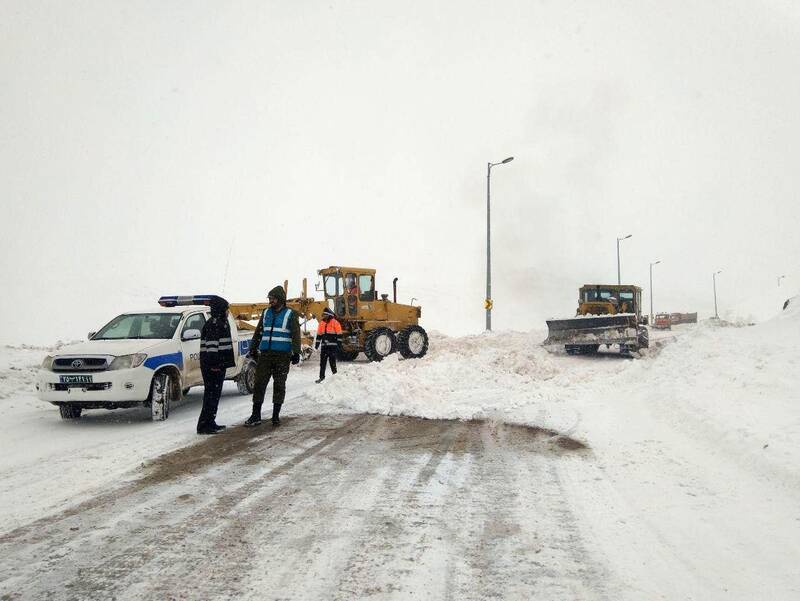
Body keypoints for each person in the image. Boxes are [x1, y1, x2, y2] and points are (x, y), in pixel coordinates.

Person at [244, 286, 301, 427]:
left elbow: (295, 334)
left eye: (273, 298)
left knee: (279, 385)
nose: (270, 301)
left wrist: (296, 352)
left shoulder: (290, 314)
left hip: (282, 356)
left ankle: (275, 416)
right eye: (269, 298)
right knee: (259, 384)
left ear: (280, 299)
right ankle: (255, 415)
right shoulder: (266, 313)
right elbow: (258, 332)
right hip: (265, 356)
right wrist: (252, 348)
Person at [197, 297, 234, 435]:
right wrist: (215, 364)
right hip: (213, 366)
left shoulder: (219, 322)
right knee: (211, 395)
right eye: (226, 309)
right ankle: (204, 425)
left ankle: (210, 422)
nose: (227, 312)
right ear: (220, 310)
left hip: (218, 365)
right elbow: (212, 347)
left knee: (214, 395)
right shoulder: (214, 324)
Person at [315, 307, 342, 384]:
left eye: (325, 314)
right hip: (324, 347)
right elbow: (319, 335)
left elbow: (339, 334)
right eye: (323, 314)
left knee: (332, 362)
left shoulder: (335, 322)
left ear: (329, 315)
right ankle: (321, 377)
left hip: (332, 347)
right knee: (322, 363)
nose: (323, 316)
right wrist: (317, 344)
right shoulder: (321, 323)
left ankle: (335, 376)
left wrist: (339, 345)